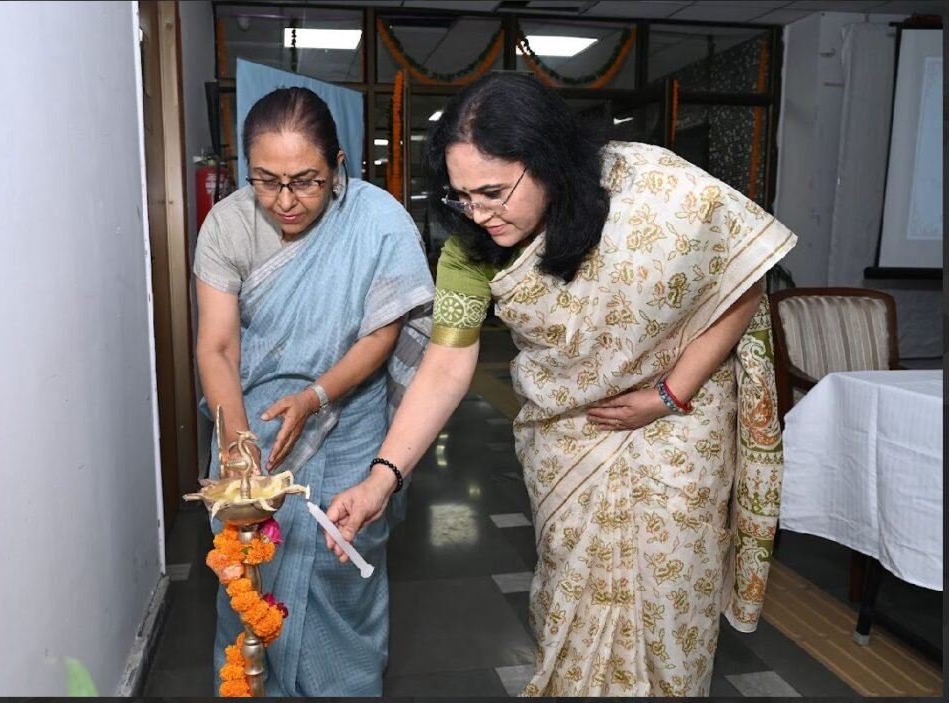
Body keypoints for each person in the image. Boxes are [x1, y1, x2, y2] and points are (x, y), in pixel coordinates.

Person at [324, 72, 796, 697]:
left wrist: (669, 393)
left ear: (546, 160)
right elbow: (446, 365)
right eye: (462, 197)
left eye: (494, 192)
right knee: (571, 606)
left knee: (673, 606)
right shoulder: (471, 249)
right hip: (568, 439)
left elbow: (742, 277)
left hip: (680, 433)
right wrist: (380, 479)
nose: (479, 214)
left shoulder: (650, 190)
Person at [193, 86, 433, 696]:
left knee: (337, 568)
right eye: (266, 181)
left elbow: (383, 330)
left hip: (350, 424)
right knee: (250, 575)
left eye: (305, 181)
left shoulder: (376, 221)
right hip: (254, 421)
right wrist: (239, 446)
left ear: (338, 167)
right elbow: (217, 348)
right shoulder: (228, 224)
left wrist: (316, 397)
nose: (285, 201)